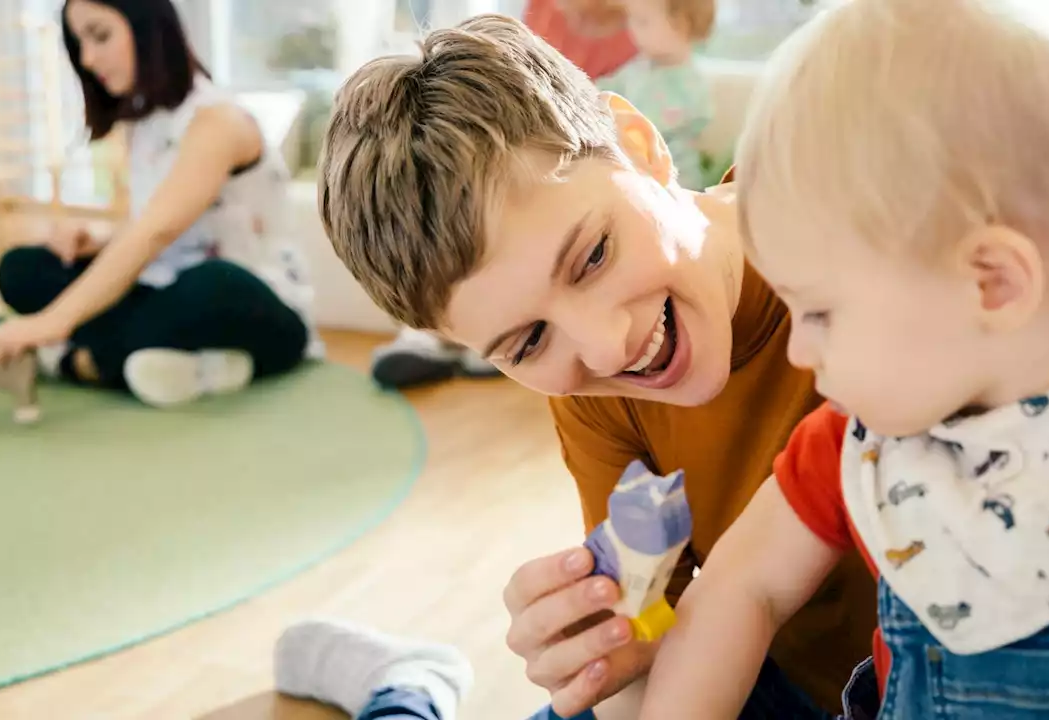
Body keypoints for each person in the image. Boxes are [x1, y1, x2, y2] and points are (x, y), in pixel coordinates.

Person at [637, 1, 1049, 719]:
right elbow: (740, 588)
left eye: (818, 312)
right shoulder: (857, 450)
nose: (799, 349)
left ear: (992, 282)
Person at [276, 12, 878, 720]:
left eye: (593, 255)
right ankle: (405, 693)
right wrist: (607, 647)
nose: (606, 347)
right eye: (528, 342)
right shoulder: (597, 396)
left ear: (641, 145)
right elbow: (669, 642)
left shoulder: (869, 228)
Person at [0, 0, 317, 407]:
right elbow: (145, 230)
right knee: (22, 268)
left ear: (147, 27)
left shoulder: (218, 123)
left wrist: (51, 324)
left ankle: (78, 359)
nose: (87, 59)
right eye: (79, 44)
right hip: (164, 290)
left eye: (100, 36)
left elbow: (155, 233)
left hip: (255, 304)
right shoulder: (143, 125)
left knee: (210, 284)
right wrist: (98, 241)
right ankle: (171, 361)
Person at [368, 0, 639, 390]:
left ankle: (501, 340)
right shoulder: (537, 13)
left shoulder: (635, 28)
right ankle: (454, 340)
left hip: (567, 156)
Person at [598, 0, 715, 190]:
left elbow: (652, 125)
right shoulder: (640, 66)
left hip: (672, 180)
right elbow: (607, 88)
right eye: (631, 19)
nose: (631, 29)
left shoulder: (690, 82)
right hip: (632, 165)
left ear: (681, 25)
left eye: (643, 21)